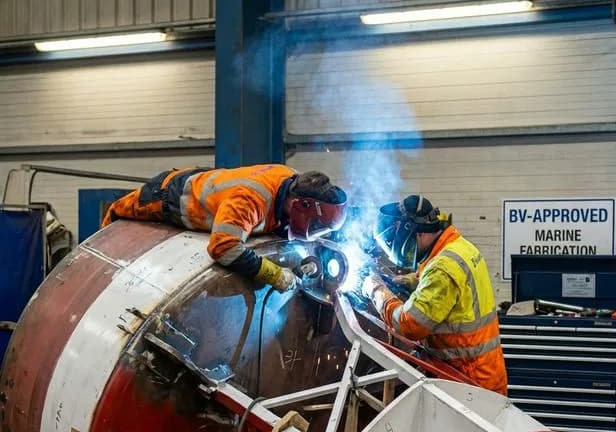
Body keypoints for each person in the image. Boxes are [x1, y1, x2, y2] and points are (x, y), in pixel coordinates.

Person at [101, 164, 347, 292]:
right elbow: (223, 247)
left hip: (201, 180)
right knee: (112, 225)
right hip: (163, 197)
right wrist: (274, 274)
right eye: (316, 226)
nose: (314, 232)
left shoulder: (291, 181)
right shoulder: (252, 199)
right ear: (301, 205)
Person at [362, 195, 507, 395]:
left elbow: (408, 325)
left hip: (468, 384)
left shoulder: (442, 269)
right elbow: (447, 287)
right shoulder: (457, 246)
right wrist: (411, 281)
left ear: (414, 233)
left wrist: (376, 290)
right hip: (485, 374)